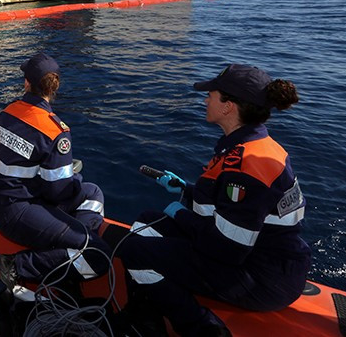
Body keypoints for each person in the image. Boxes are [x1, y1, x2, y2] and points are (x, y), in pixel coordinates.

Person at [117, 64, 311, 336]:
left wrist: (179, 213)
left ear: (228, 107)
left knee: (134, 251)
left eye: (211, 96)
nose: (205, 100)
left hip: (262, 278)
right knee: (148, 222)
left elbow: (227, 248)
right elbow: (236, 207)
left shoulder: (246, 166)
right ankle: (145, 314)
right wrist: (186, 190)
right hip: (264, 259)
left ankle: (202, 329)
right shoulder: (256, 148)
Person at [0, 53, 110, 287]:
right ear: (55, 86)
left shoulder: (7, 113)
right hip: (20, 210)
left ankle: (71, 248)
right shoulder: (55, 131)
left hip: (2, 200)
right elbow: (58, 192)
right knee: (98, 255)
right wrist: (73, 178)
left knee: (92, 192)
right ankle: (14, 266)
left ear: (27, 83)